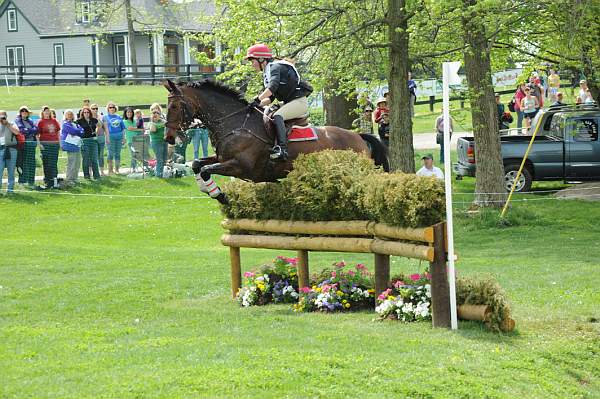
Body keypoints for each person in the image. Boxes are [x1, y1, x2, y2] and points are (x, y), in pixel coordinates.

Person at [245, 43, 313, 161]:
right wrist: (256, 104)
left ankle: (282, 150)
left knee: (278, 116)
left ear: (261, 59)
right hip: (289, 102)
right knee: (267, 113)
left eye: (252, 61)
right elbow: (270, 98)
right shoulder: (267, 71)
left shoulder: (275, 67)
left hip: (299, 102)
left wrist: (258, 98)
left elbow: (273, 87)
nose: (252, 64)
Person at [37, 106, 61, 188]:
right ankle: (47, 180)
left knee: (53, 163)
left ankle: (54, 180)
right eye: (45, 111)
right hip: (45, 145)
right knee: (46, 163)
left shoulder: (54, 121)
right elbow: (37, 134)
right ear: (42, 113)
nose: (47, 112)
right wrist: (39, 144)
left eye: (48, 111)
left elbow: (58, 132)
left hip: (54, 144)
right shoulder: (40, 122)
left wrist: (59, 142)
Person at [14, 105, 39, 187]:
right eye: (22, 111)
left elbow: (36, 129)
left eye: (26, 111)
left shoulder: (31, 121)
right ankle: (22, 181)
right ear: (20, 113)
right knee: (23, 163)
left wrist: (28, 130)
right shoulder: (17, 120)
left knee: (31, 163)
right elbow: (21, 130)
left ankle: (31, 181)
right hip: (23, 145)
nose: (24, 112)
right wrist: (31, 130)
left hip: (31, 144)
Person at [60, 110, 84, 187]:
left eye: (71, 114)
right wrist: (78, 131)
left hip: (77, 145)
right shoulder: (65, 124)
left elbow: (82, 131)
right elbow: (73, 131)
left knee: (77, 163)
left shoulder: (75, 123)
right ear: (65, 116)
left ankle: (75, 178)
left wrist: (78, 131)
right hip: (70, 146)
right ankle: (69, 179)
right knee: (72, 163)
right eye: (68, 114)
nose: (70, 116)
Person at [77, 106, 100, 180]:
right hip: (84, 141)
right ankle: (87, 176)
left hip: (93, 140)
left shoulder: (94, 120)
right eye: (85, 112)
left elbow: (99, 126)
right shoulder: (79, 121)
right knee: (86, 159)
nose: (86, 114)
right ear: (82, 113)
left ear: (90, 113)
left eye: (87, 112)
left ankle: (96, 176)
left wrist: (96, 131)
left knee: (94, 159)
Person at [103, 101, 126, 175]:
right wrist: (107, 138)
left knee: (118, 153)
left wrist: (123, 138)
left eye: (113, 107)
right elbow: (105, 129)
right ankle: (110, 170)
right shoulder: (105, 117)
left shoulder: (118, 117)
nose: (112, 108)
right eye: (110, 107)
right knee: (110, 154)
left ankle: (117, 169)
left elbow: (123, 128)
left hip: (119, 137)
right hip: (111, 137)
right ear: (108, 109)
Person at [0, 110, 20, 194]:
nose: (2, 118)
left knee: (11, 170)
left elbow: (17, 132)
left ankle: (10, 190)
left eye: (3, 116)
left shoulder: (12, 123)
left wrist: (7, 124)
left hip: (11, 149)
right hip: (0, 149)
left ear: (6, 116)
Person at [123, 107, 144, 172]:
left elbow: (142, 129)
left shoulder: (135, 120)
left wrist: (138, 129)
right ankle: (133, 169)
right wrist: (139, 129)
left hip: (138, 140)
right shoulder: (124, 121)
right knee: (133, 155)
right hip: (130, 140)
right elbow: (130, 128)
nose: (129, 113)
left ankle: (136, 168)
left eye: (131, 112)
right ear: (125, 113)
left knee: (138, 154)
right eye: (128, 112)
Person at [147, 109, 168, 178]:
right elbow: (153, 129)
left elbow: (168, 125)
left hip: (164, 142)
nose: (155, 114)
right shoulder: (151, 123)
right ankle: (158, 175)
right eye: (154, 113)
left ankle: (161, 173)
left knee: (164, 159)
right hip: (156, 143)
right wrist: (155, 122)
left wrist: (163, 123)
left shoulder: (162, 121)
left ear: (160, 115)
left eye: (157, 113)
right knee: (159, 159)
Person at [91, 104, 106, 176]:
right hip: (92, 139)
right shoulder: (89, 118)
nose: (95, 110)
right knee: (93, 156)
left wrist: (107, 137)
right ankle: (91, 172)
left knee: (101, 155)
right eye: (93, 109)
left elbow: (105, 128)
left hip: (101, 138)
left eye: (96, 108)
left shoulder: (101, 117)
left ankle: (102, 171)